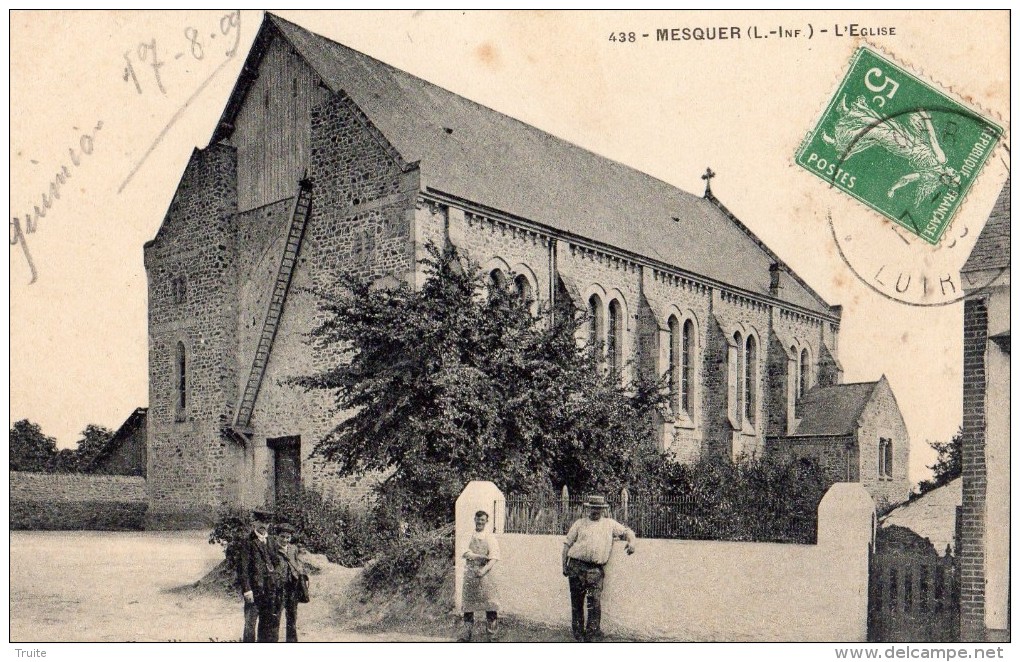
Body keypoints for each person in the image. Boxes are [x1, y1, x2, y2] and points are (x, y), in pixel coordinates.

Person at [562, 495, 636, 642]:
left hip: (595, 570)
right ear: (588, 508)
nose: (595, 511)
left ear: (603, 510)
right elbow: (567, 545)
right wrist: (564, 565)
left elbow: (627, 532)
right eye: (592, 508)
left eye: (598, 509)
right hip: (576, 566)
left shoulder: (609, 524)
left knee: (594, 603)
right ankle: (578, 636)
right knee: (576, 603)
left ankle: (592, 635)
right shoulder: (580, 523)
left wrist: (632, 542)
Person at [237, 509, 285, 642]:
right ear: (255, 522)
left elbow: (276, 562)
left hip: (269, 591)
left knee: (266, 624)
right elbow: (243, 569)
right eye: (261, 522)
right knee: (250, 625)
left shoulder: (271, 541)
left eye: (267, 522)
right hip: (254, 591)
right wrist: (247, 590)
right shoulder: (247, 542)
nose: (264, 525)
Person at [458, 510, 501, 642]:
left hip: (486, 575)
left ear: (486, 521)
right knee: (468, 608)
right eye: (478, 519)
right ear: (474, 519)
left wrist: (484, 570)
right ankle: (465, 637)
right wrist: (479, 556)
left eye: (483, 520)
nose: (480, 522)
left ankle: (492, 638)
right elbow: (465, 552)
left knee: (490, 607)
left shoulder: (490, 537)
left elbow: (494, 557)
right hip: (471, 575)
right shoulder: (468, 535)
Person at [275, 522, 306, 643]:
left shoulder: (293, 549)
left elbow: (298, 563)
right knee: (276, 617)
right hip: (279, 587)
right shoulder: (273, 549)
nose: (284, 540)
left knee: (292, 616)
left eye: (287, 537)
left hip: (292, 587)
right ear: (277, 536)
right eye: (282, 536)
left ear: (291, 538)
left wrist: (299, 572)